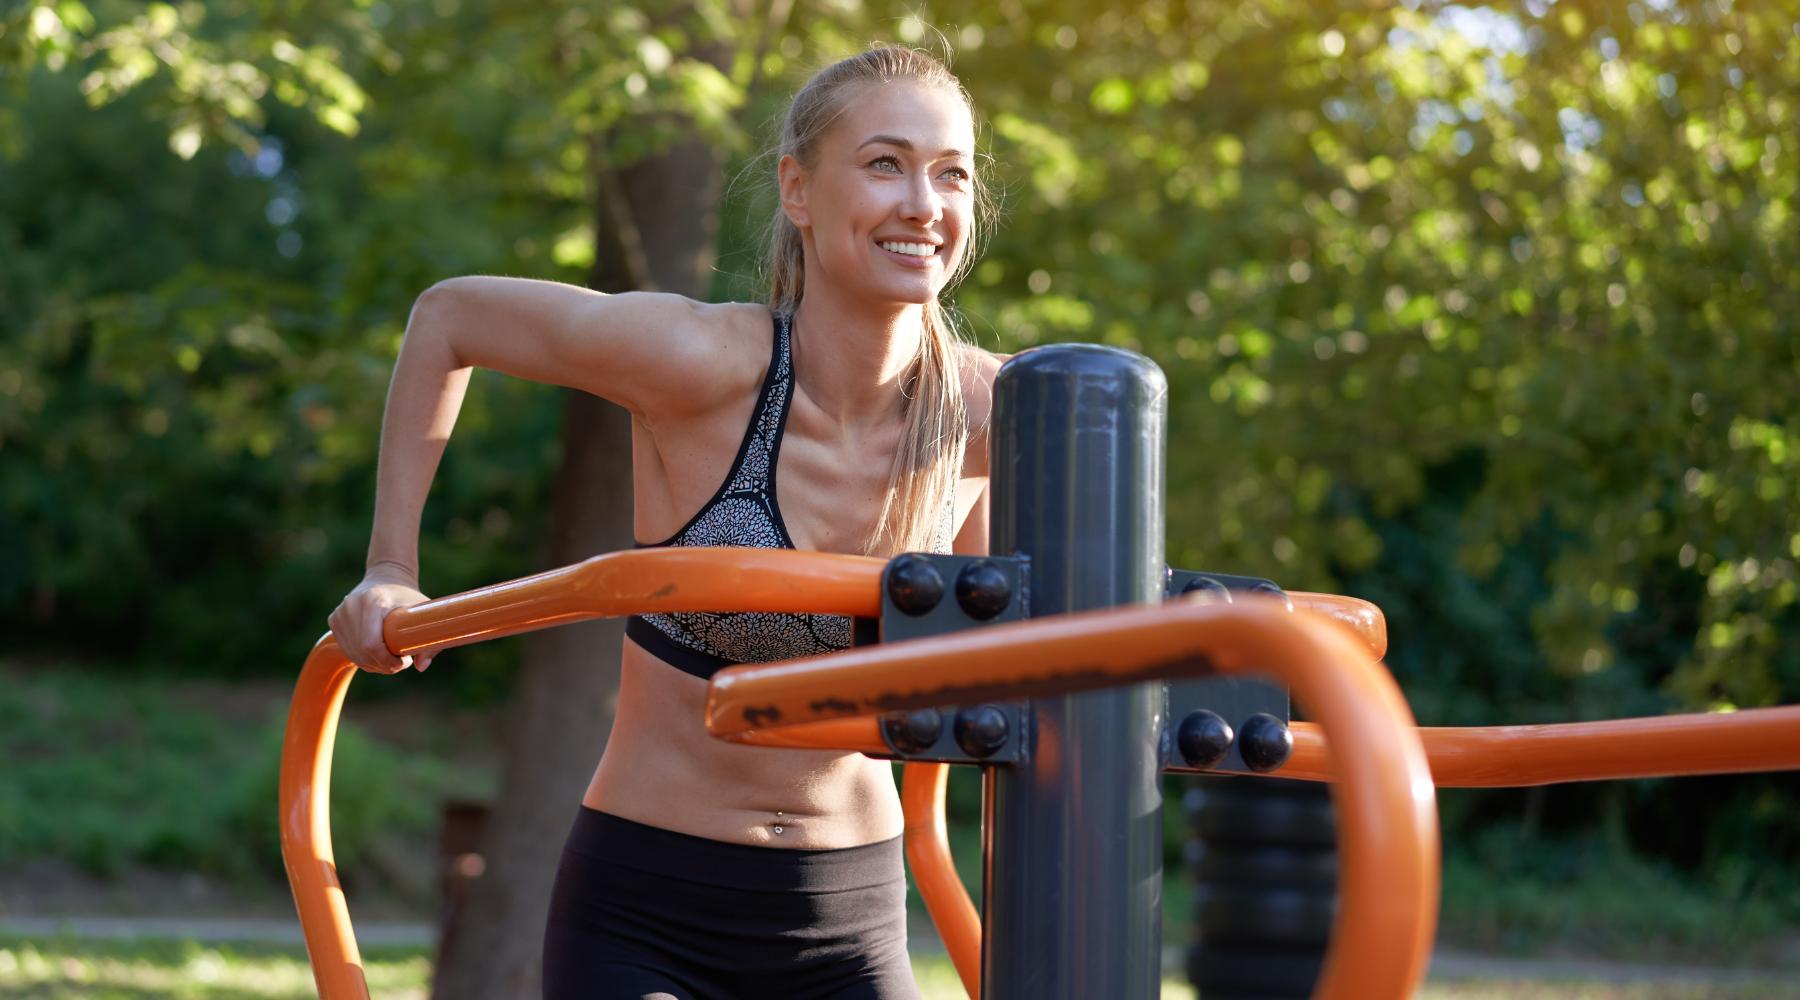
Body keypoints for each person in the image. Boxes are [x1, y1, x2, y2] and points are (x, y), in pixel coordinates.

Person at [327, 44, 1007, 1000]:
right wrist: (390, 565)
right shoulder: (702, 364)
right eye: (884, 163)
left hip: (848, 920)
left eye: (953, 175)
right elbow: (450, 317)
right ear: (798, 191)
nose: (923, 204)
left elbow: (1012, 663)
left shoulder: (993, 413)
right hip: (649, 910)